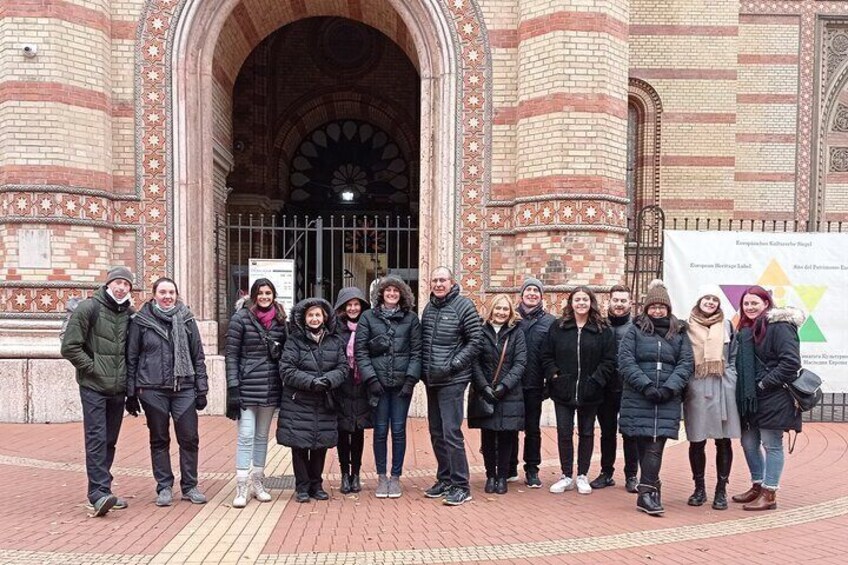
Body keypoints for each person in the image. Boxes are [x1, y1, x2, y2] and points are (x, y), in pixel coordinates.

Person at [126, 277, 209, 507]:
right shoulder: (141, 321)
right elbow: (132, 357)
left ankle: (190, 486)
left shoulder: (188, 320)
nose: (167, 296)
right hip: (152, 390)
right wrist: (131, 392)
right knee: (159, 439)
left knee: (189, 438)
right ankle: (164, 486)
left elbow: (198, 357)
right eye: (162, 292)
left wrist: (201, 388)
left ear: (177, 294)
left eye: (171, 292)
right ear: (154, 295)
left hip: (184, 388)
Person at [61, 266, 135, 516]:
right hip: (93, 386)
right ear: (108, 284)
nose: (122, 287)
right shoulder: (89, 308)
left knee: (110, 441)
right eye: (118, 282)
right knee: (96, 438)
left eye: (126, 284)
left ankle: (104, 488)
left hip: (117, 388)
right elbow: (70, 347)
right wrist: (92, 368)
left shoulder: (128, 313)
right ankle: (98, 494)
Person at [618, 279, 693, 515]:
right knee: (643, 443)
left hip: (667, 398)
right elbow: (626, 361)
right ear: (647, 308)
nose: (657, 311)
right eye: (653, 307)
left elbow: (686, 363)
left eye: (661, 307)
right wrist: (646, 386)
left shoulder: (680, 332)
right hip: (639, 397)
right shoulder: (635, 330)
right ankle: (653, 485)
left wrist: (670, 388)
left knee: (655, 445)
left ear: (668, 309)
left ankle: (646, 493)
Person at [732, 285, 803, 511]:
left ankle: (769, 492)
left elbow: (791, 363)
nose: (750, 307)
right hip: (749, 397)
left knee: (771, 445)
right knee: (748, 443)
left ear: (766, 304)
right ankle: (757, 484)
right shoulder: (744, 330)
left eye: (755, 303)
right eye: (746, 303)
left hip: (773, 395)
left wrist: (764, 383)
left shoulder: (780, 326)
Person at [542, 286, 616, 496]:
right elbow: (547, 355)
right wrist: (555, 376)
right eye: (577, 299)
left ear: (591, 302)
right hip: (563, 390)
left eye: (585, 299)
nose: (581, 303)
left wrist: (596, 381)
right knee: (564, 433)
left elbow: (609, 360)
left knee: (586, 433)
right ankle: (566, 475)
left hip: (590, 391)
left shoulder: (602, 328)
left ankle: (582, 474)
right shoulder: (559, 327)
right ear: (571, 303)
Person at [420, 266, 483, 506]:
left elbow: (475, 341)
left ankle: (461, 485)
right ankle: (445, 478)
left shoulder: (464, 306)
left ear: (452, 282)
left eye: (442, 280)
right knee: (436, 432)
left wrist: (454, 364)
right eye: (435, 280)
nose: (438, 284)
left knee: (451, 432)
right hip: (432, 380)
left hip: (453, 380)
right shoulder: (429, 308)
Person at [355, 275, 422, 499]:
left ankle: (396, 477)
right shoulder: (367, 317)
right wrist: (371, 379)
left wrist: (411, 379)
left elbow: (416, 352)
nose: (392, 294)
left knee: (400, 431)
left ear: (402, 294)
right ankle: (381, 476)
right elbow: (361, 351)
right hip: (379, 385)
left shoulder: (411, 319)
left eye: (396, 291)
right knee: (381, 430)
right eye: (388, 290)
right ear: (381, 294)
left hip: (402, 385)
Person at [276, 298, 348, 503]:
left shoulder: (334, 341)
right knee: (299, 445)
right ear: (303, 318)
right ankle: (302, 486)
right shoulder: (294, 341)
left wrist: (328, 380)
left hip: (325, 400)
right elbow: (287, 370)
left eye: (318, 314)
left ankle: (316, 484)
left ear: (325, 317)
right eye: (310, 315)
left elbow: (343, 368)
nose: (314, 318)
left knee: (320, 444)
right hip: (299, 401)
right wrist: (310, 382)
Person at [225, 278, 287, 508]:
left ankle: (257, 483)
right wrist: (232, 387)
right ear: (253, 295)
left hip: (270, 386)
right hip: (246, 386)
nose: (264, 296)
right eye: (260, 293)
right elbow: (232, 355)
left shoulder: (280, 320)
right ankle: (241, 485)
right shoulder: (240, 318)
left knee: (262, 436)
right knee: (246, 435)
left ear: (273, 295)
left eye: (268, 292)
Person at [683, 284, 740, 510]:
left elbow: (734, 354)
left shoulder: (726, 325)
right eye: (706, 298)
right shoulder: (687, 326)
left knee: (723, 440)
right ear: (698, 302)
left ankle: (721, 490)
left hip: (721, 386)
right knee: (696, 440)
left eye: (714, 299)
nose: (710, 302)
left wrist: (731, 377)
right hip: (696, 387)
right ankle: (699, 489)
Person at [468, 294, 527, 494]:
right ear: (491, 310)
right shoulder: (480, 331)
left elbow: (520, 363)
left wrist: (504, 386)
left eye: (505, 309)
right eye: (497, 308)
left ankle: (502, 476)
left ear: (510, 312)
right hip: (485, 391)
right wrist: (484, 387)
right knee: (488, 435)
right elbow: (474, 361)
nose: (501, 312)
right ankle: (490, 476)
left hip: (509, 393)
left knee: (506, 436)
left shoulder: (516, 332)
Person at [591, 284, 640, 493]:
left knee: (630, 433)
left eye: (623, 301)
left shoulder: (637, 327)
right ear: (608, 302)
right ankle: (606, 473)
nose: (619, 304)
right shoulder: (599, 325)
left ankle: (631, 475)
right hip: (605, 388)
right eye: (615, 300)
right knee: (607, 433)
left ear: (630, 303)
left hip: (629, 388)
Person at [512, 277, 555, 488]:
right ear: (522, 295)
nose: (531, 294)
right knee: (509, 426)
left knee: (532, 429)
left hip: (535, 382)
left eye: (535, 291)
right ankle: (509, 466)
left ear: (541, 296)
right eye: (528, 290)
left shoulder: (550, 322)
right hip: (511, 382)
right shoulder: (511, 318)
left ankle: (532, 469)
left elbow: (553, 354)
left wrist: (550, 382)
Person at [333, 287, 372, 495]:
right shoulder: (335, 328)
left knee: (357, 431)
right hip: (342, 384)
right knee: (342, 431)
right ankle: (344, 474)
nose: (353, 308)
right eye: (349, 305)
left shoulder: (367, 326)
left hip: (361, 384)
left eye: (356, 304)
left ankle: (356, 474)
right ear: (342, 307)